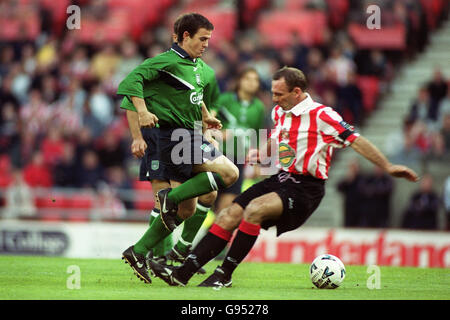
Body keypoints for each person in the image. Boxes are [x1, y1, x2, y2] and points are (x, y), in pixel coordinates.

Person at [148, 67, 419, 288]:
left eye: (279, 94)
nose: (274, 99)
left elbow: (357, 141)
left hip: (307, 188)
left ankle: (224, 274)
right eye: (273, 93)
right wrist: (260, 152)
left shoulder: (323, 115)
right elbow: (279, 136)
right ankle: (183, 273)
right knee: (228, 215)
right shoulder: (280, 111)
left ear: (297, 92)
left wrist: (388, 166)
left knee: (254, 210)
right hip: (282, 178)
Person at [117, 13, 238, 284]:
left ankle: (139, 252)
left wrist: (206, 115)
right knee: (228, 174)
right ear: (185, 37)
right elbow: (129, 85)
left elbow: (192, 97)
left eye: (209, 39)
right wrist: (142, 115)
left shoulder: (198, 67)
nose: (207, 44)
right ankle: (167, 228)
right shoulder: (165, 61)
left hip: (189, 133)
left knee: (187, 210)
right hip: (169, 137)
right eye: (202, 39)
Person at [213, 67, 266, 214]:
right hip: (218, 155)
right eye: (248, 79)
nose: (252, 83)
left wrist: (256, 163)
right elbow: (205, 123)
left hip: (239, 158)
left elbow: (257, 134)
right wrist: (216, 133)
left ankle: (213, 234)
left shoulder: (259, 107)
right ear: (239, 81)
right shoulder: (224, 100)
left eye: (255, 80)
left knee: (228, 202)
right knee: (209, 196)